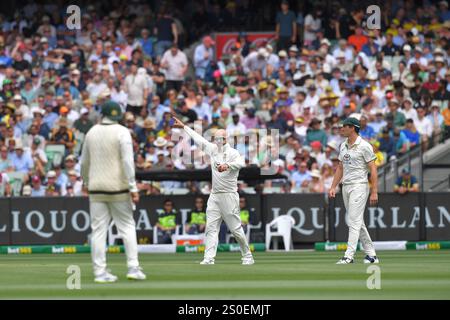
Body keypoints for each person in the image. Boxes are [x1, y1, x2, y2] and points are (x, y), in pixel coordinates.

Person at [171, 115, 254, 265]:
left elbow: (241, 163)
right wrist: (184, 126)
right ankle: (209, 258)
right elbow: (199, 139)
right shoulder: (213, 149)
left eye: (219, 138)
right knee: (210, 228)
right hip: (214, 195)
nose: (216, 141)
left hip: (229, 195)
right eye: (215, 138)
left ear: (226, 139)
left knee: (235, 229)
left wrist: (227, 166)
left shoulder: (234, 153)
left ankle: (247, 256)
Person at [81, 100, 145, 283]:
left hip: (96, 188)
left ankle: (100, 272)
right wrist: (133, 187)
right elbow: (127, 162)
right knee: (127, 227)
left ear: (103, 114)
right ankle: (133, 268)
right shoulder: (123, 132)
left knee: (98, 231)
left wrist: (86, 181)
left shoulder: (91, 132)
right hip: (119, 188)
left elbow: (84, 162)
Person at [328, 117, 379, 264]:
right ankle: (371, 255)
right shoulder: (343, 145)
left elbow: (373, 168)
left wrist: (374, 191)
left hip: (360, 185)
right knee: (358, 222)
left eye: (345, 126)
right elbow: (340, 167)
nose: (342, 128)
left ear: (353, 128)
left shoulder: (364, 146)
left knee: (353, 221)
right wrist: (333, 186)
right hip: (346, 186)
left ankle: (348, 256)